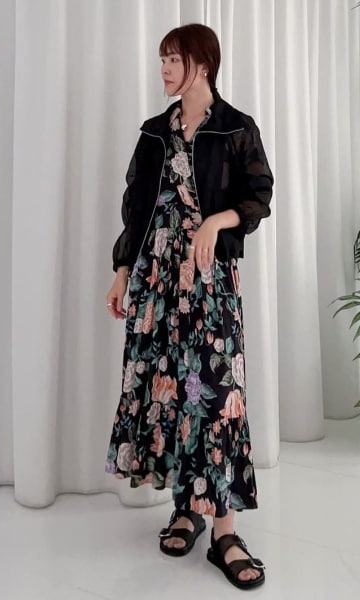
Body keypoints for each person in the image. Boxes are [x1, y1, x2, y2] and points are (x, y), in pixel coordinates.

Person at [105, 23, 273, 590]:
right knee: (171, 390)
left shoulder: (235, 128)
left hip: (208, 281)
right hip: (156, 280)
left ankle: (225, 532)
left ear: (202, 64)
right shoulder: (155, 133)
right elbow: (135, 208)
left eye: (173, 60)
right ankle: (186, 508)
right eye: (162, 60)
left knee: (218, 398)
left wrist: (216, 221)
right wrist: (122, 271)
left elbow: (259, 195)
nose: (164, 70)